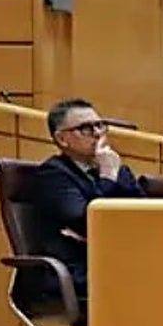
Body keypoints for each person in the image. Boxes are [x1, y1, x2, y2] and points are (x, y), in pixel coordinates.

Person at [32, 98, 144, 298]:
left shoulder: (120, 171)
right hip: (77, 271)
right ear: (62, 139)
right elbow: (91, 222)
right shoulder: (53, 174)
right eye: (86, 128)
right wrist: (108, 176)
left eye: (100, 125)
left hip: (115, 260)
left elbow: (140, 216)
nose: (97, 134)